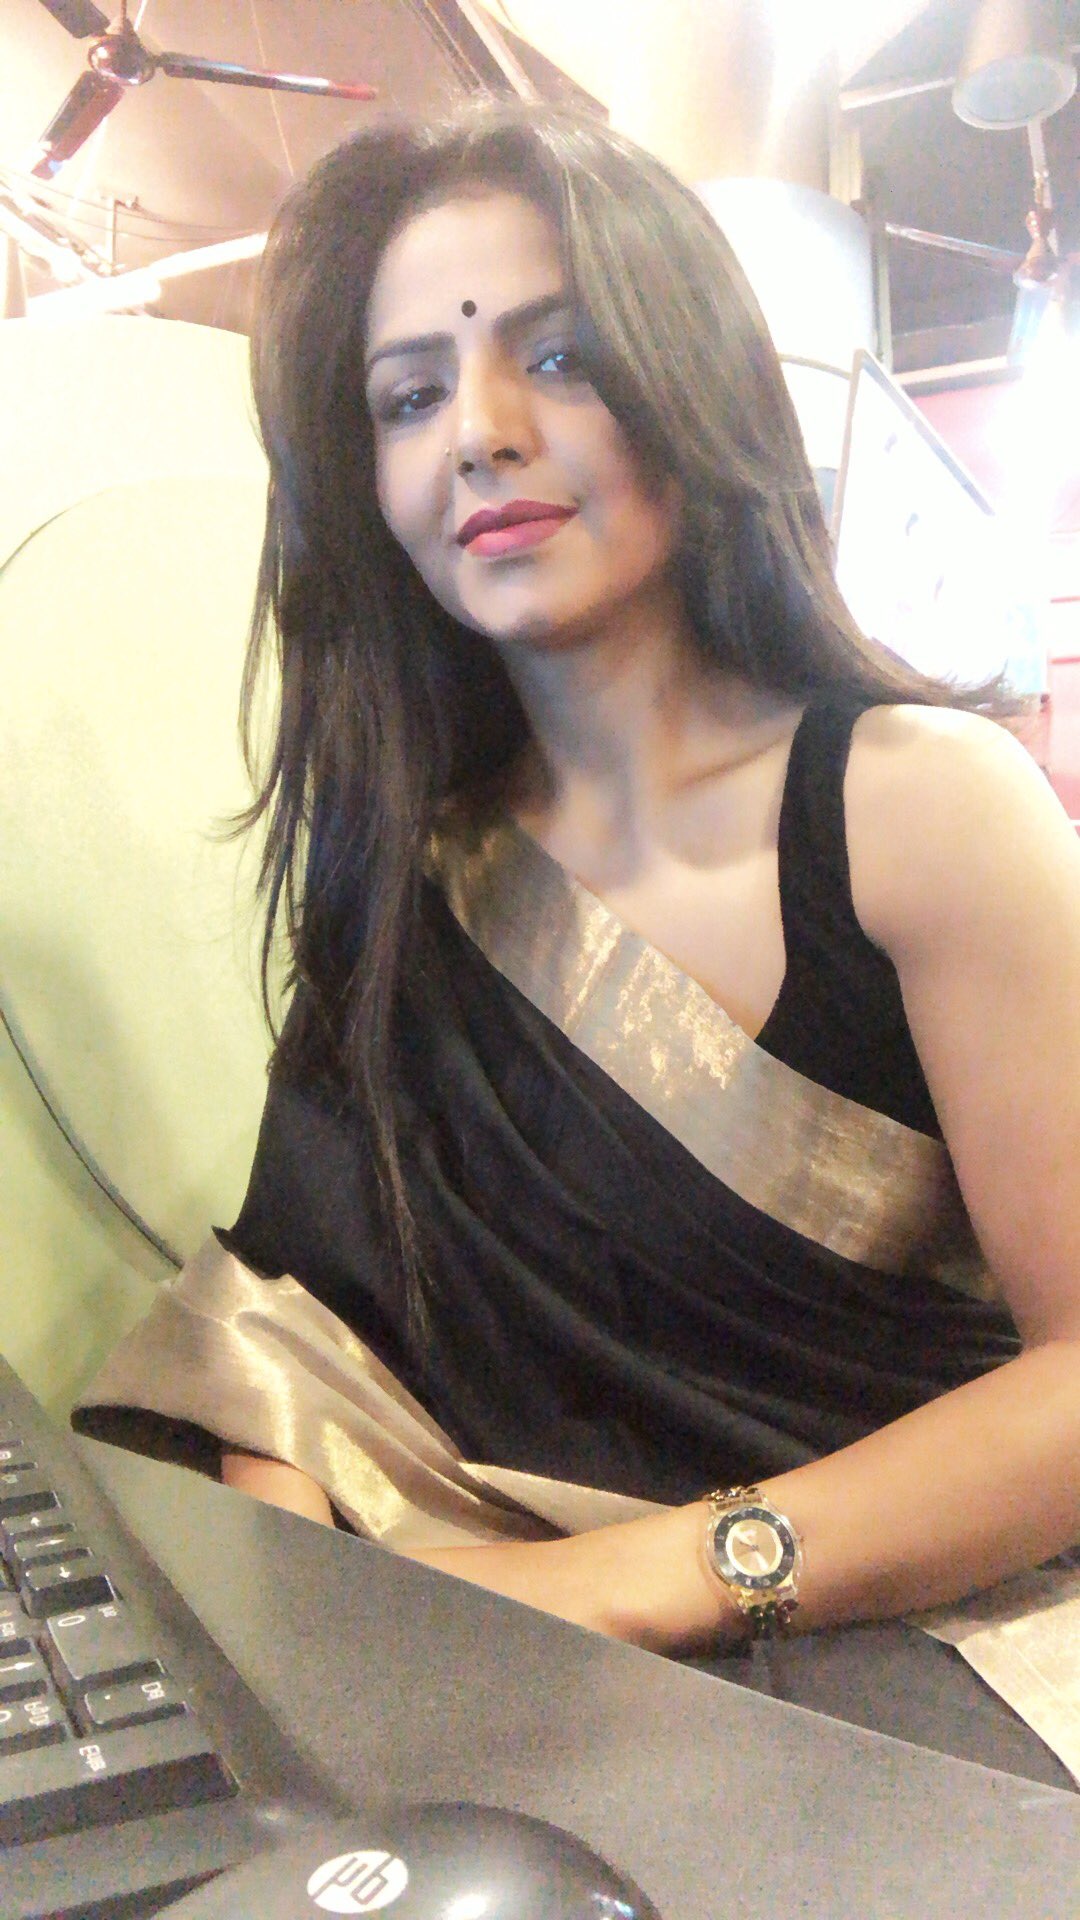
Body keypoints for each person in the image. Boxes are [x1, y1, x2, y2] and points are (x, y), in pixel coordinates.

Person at [77, 100, 1080, 1788]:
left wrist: (642, 1583)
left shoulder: (924, 808)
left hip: (919, 1657)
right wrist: (296, 1616)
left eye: (558, 359)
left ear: (694, 382)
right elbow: (296, 1316)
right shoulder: (417, 870)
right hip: (489, 1668)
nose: (480, 435)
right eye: (409, 398)